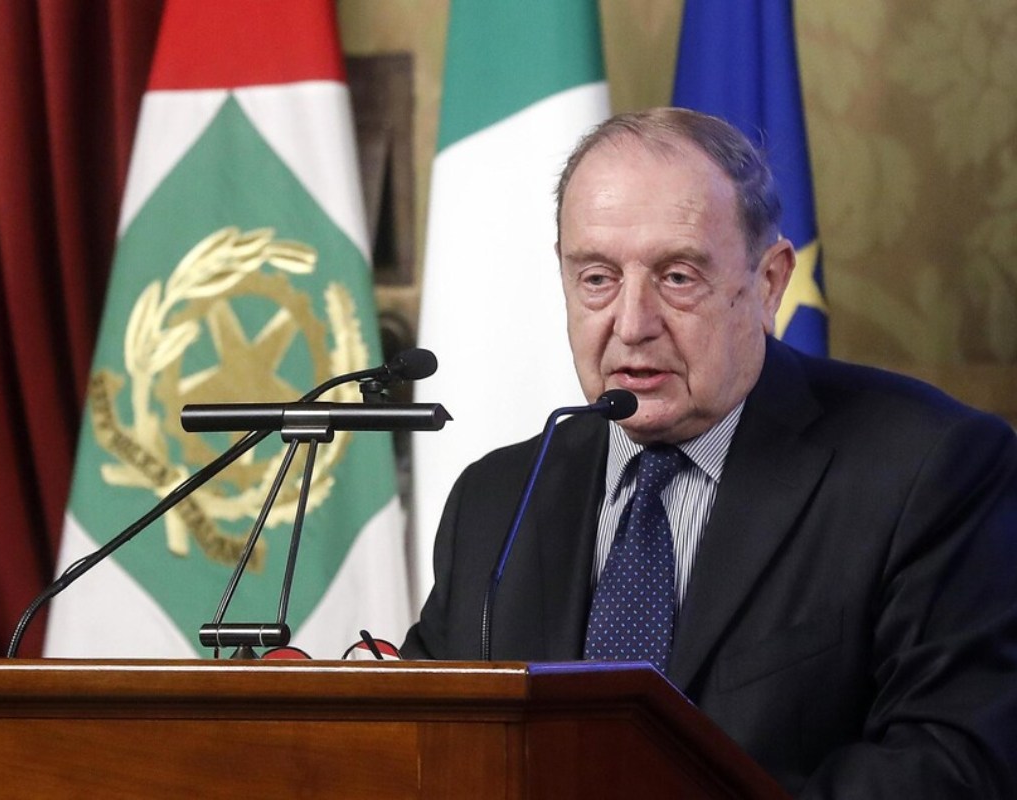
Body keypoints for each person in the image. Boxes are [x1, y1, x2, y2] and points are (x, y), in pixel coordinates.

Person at [401, 108, 1017, 798]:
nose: (632, 325)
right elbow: (420, 746)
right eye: (598, 278)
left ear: (769, 283)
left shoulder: (928, 469)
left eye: (677, 277)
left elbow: (956, 764)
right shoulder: (497, 499)